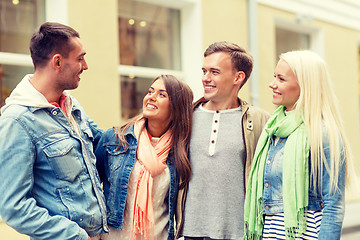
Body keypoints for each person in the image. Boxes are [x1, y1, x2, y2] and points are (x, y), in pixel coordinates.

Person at [0, 22, 108, 240]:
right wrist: (75, 235)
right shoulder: (17, 121)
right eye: (80, 58)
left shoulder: (70, 105)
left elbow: (105, 142)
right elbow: (13, 207)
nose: (85, 66)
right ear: (57, 61)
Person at [244, 50, 351, 240]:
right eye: (274, 77)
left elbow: (333, 205)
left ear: (305, 85)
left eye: (281, 79)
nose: (272, 84)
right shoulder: (273, 128)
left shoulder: (323, 133)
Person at [179, 41, 270, 239]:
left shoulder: (260, 120)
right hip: (190, 232)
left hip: (238, 233)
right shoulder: (186, 117)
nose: (205, 78)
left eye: (214, 72)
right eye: (204, 71)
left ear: (238, 77)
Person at [95, 75, 193, 240]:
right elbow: (92, 188)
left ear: (177, 106)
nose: (151, 97)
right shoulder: (115, 139)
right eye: (150, 91)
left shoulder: (182, 152)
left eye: (162, 94)